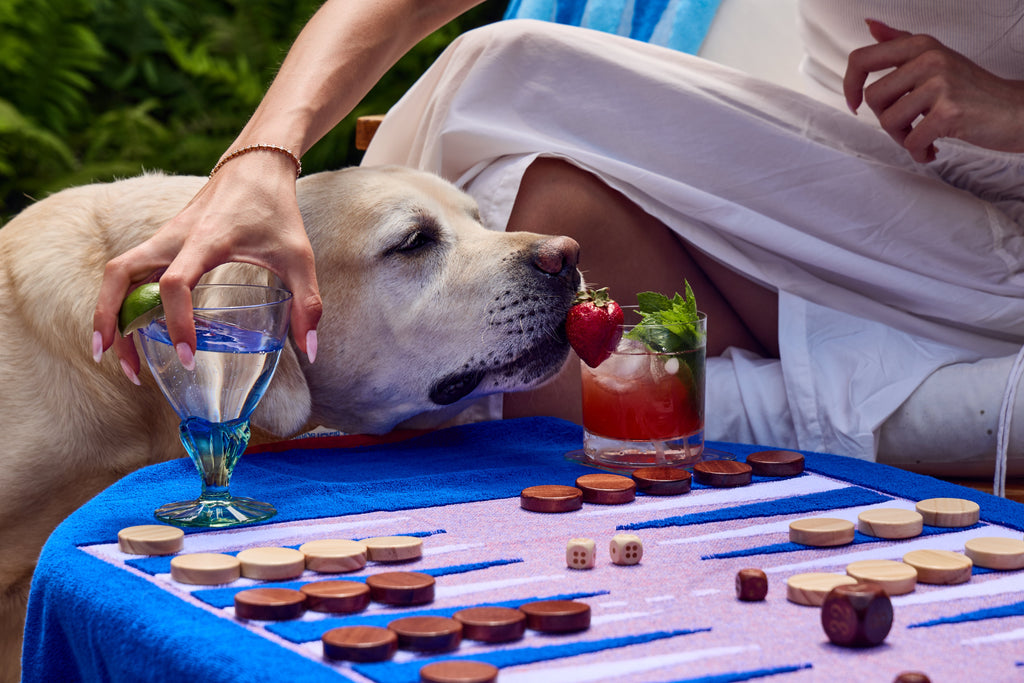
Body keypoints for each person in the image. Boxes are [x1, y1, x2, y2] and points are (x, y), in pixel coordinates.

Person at [92, 0, 1024, 488]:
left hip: (996, 236)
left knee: (505, 74)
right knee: (518, 205)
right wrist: (259, 160)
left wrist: (1009, 110)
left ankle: (342, 365)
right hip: (829, 211)